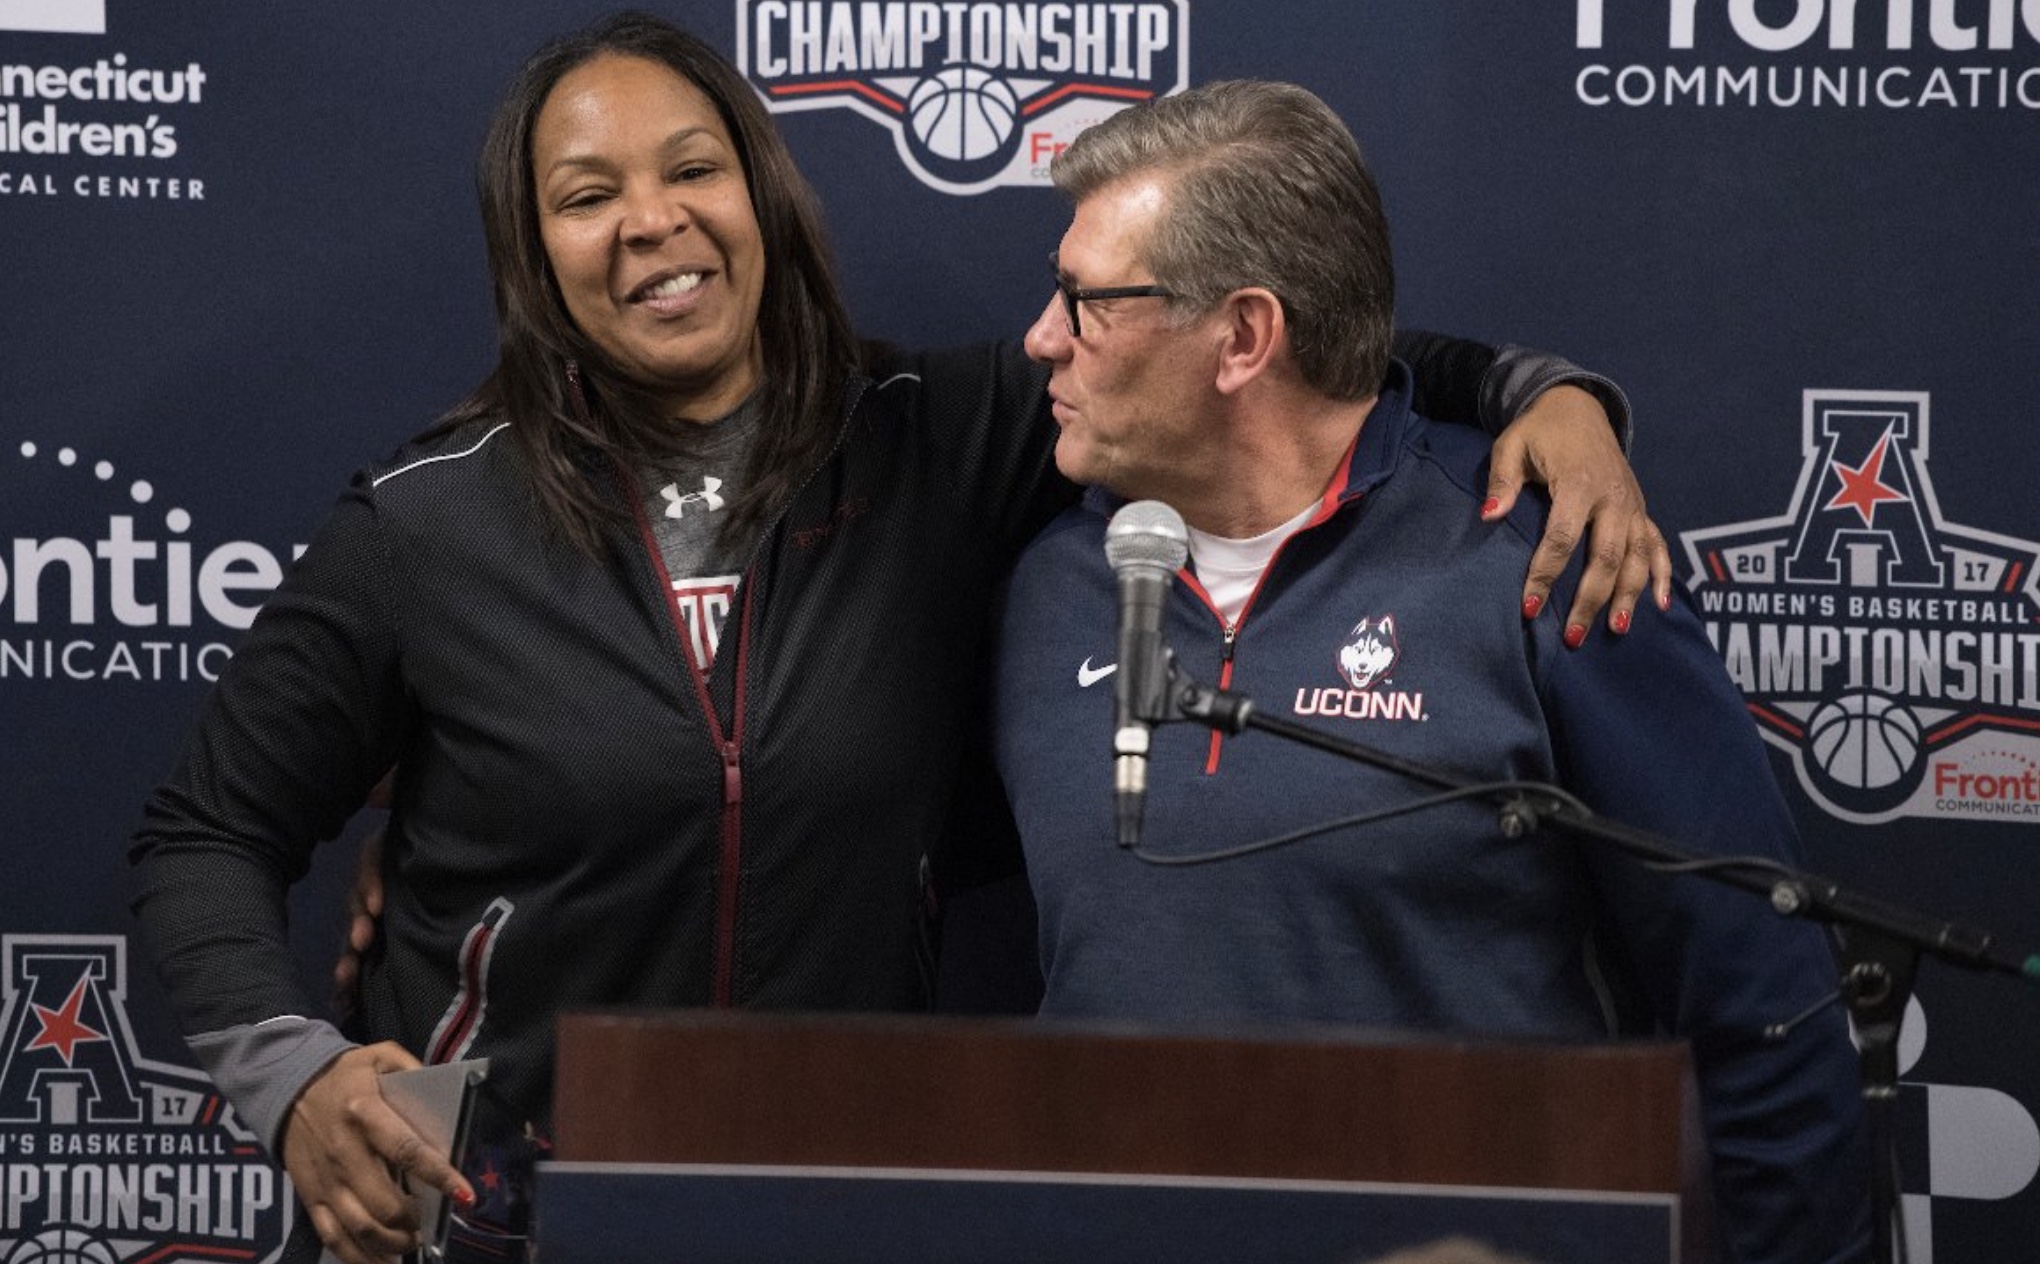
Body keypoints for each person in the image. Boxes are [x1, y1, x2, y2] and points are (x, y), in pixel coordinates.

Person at [127, 13, 1668, 1264]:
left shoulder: (944, 436)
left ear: (764, 191)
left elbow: (1281, 346)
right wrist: (294, 1073)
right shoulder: (426, 522)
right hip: (496, 1218)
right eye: (587, 197)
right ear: (532, 251)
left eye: (692, 170)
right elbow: (206, 833)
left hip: (829, 1205)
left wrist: (1549, 395)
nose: (652, 222)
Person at [991, 81, 1871, 1264]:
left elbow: (1762, 1008)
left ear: (1244, 337)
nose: (1043, 335)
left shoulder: (1545, 557)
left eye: (1083, 300)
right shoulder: (1050, 578)